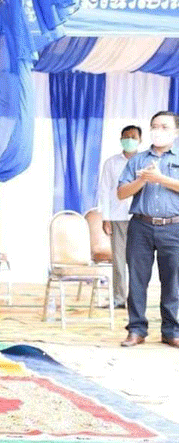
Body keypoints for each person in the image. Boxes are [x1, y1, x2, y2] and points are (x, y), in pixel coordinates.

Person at [117, 111, 179, 349]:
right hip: (141, 225)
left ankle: (171, 331)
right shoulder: (137, 160)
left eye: (164, 127)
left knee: (173, 281)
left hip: (173, 226)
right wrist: (142, 180)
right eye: (154, 126)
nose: (158, 131)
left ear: (175, 132)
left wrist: (160, 178)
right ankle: (136, 330)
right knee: (137, 279)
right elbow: (121, 193)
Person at [99, 126, 141, 309]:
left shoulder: (145, 161)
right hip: (118, 217)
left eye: (133, 137)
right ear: (121, 139)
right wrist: (106, 218)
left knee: (138, 261)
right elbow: (105, 190)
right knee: (118, 259)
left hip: (140, 217)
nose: (129, 140)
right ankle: (119, 298)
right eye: (126, 137)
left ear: (140, 140)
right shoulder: (112, 163)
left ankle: (137, 299)